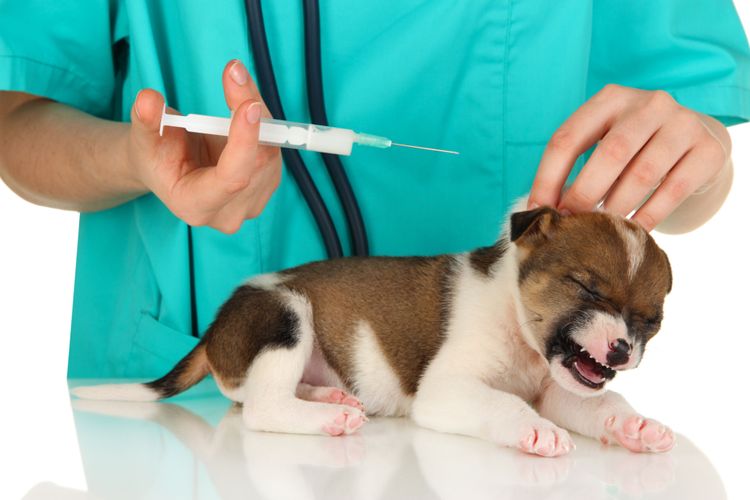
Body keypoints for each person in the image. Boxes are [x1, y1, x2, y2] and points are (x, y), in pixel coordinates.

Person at [0, 1, 747, 378]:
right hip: (208, 409)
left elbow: (685, 159)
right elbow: (19, 121)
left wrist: (701, 155)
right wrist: (137, 160)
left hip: (506, 405)